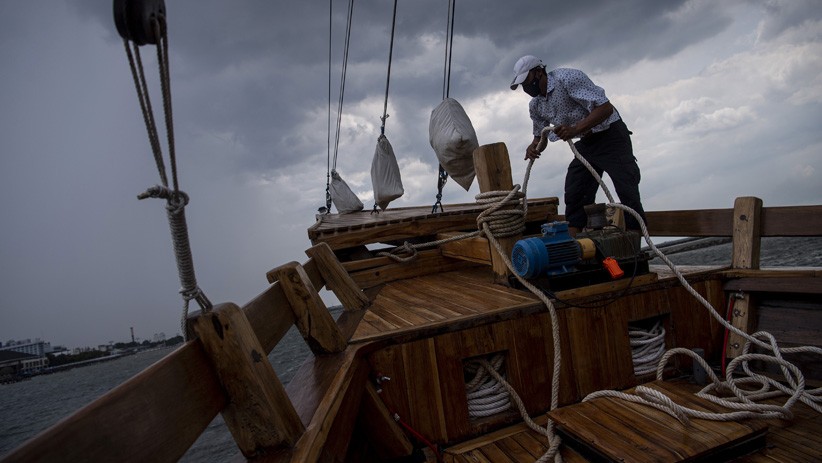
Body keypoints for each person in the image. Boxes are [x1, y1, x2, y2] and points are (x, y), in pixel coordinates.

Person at [509, 55, 647, 235]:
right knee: (576, 190)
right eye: (522, 85)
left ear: (539, 72)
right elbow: (540, 138)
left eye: (527, 81)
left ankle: (634, 236)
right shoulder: (536, 106)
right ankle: (573, 238)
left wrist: (575, 129)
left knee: (626, 187)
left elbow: (605, 108)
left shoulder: (567, 78)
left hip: (610, 135)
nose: (526, 88)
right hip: (587, 143)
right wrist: (534, 148)